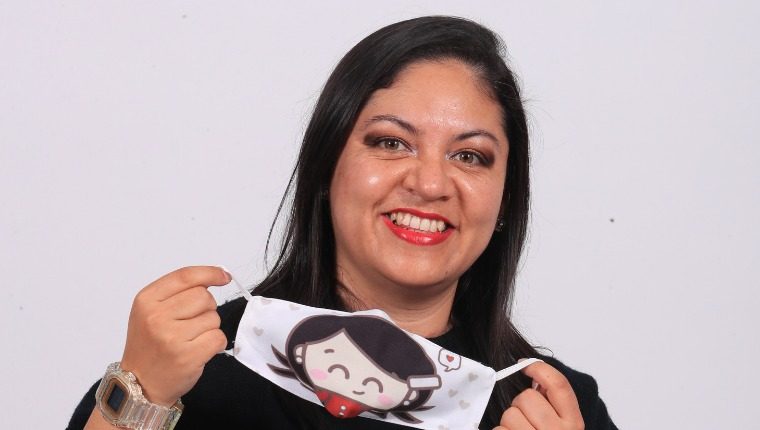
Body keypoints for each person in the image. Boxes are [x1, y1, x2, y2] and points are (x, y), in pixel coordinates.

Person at [69, 16, 617, 430]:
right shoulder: (190, 371)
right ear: (326, 166)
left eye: (469, 155)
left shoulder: (555, 409)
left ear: (503, 201)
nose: (431, 183)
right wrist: (140, 401)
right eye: (391, 143)